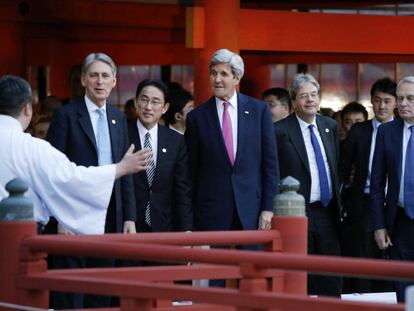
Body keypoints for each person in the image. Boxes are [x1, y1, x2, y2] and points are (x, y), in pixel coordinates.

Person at [0, 75, 150, 233]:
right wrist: (120, 168)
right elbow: (72, 178)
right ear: (27, 109)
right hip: (21, 235)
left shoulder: (34, 147)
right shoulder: (33, 148)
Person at [46, 52, 136, 308]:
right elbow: (54, 171)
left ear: (115, 81)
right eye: (94, 75)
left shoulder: (119, 118)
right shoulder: (65, 116)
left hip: (110, 210)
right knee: (71, 285)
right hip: (74, 211)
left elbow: (125, 169)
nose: (100, 81)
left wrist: (129, 216)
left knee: (102, 284)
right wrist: (60, 216)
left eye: (105, 76)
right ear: (83, 80)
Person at [185, 48, 279, 234]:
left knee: (251, 263)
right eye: (213, 73)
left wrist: (268, 208)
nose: (217, 79)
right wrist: (189, 220)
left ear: (236, 78)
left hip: (252, 211)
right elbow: (190, 172)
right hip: (210, 213)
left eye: (223, 74)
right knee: (215, 264)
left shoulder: (258, 111)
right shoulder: (197, 117)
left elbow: (270, 164)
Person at [274, 73, 342, 297]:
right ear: (294, 101)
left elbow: (335, 167)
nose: (310, 100)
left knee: (330, 274)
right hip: (296, 213)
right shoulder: (280, 131)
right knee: (301, 275)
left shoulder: (329, 125)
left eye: (314, 94)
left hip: (328, 211)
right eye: (304, 96)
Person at [340, 77, 396, 293]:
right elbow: (343, 167)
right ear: (371, 101)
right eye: (377, 100)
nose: (382, 106)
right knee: (364, 258)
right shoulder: (360, 130)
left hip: (395, 203)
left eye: (387, 101)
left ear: (396, 103)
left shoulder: (404, 130)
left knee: (394, 258)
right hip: (363, 202)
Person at [370, 76, 414, 302]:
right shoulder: (387, 132)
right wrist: (379, 225)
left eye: (410, 98)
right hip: (400, 221)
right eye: (400, 98)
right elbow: (376, 184)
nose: (403, 103)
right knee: (404, 289)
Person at [128, 79, 192, 233]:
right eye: (144, 100)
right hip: (130, 226)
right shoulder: (121, 135)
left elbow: (182, 189)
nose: (149, 107)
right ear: (136, 102)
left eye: (155, 102)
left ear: (165, 108)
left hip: (164, 225)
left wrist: (186, 229)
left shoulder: (175, 141)